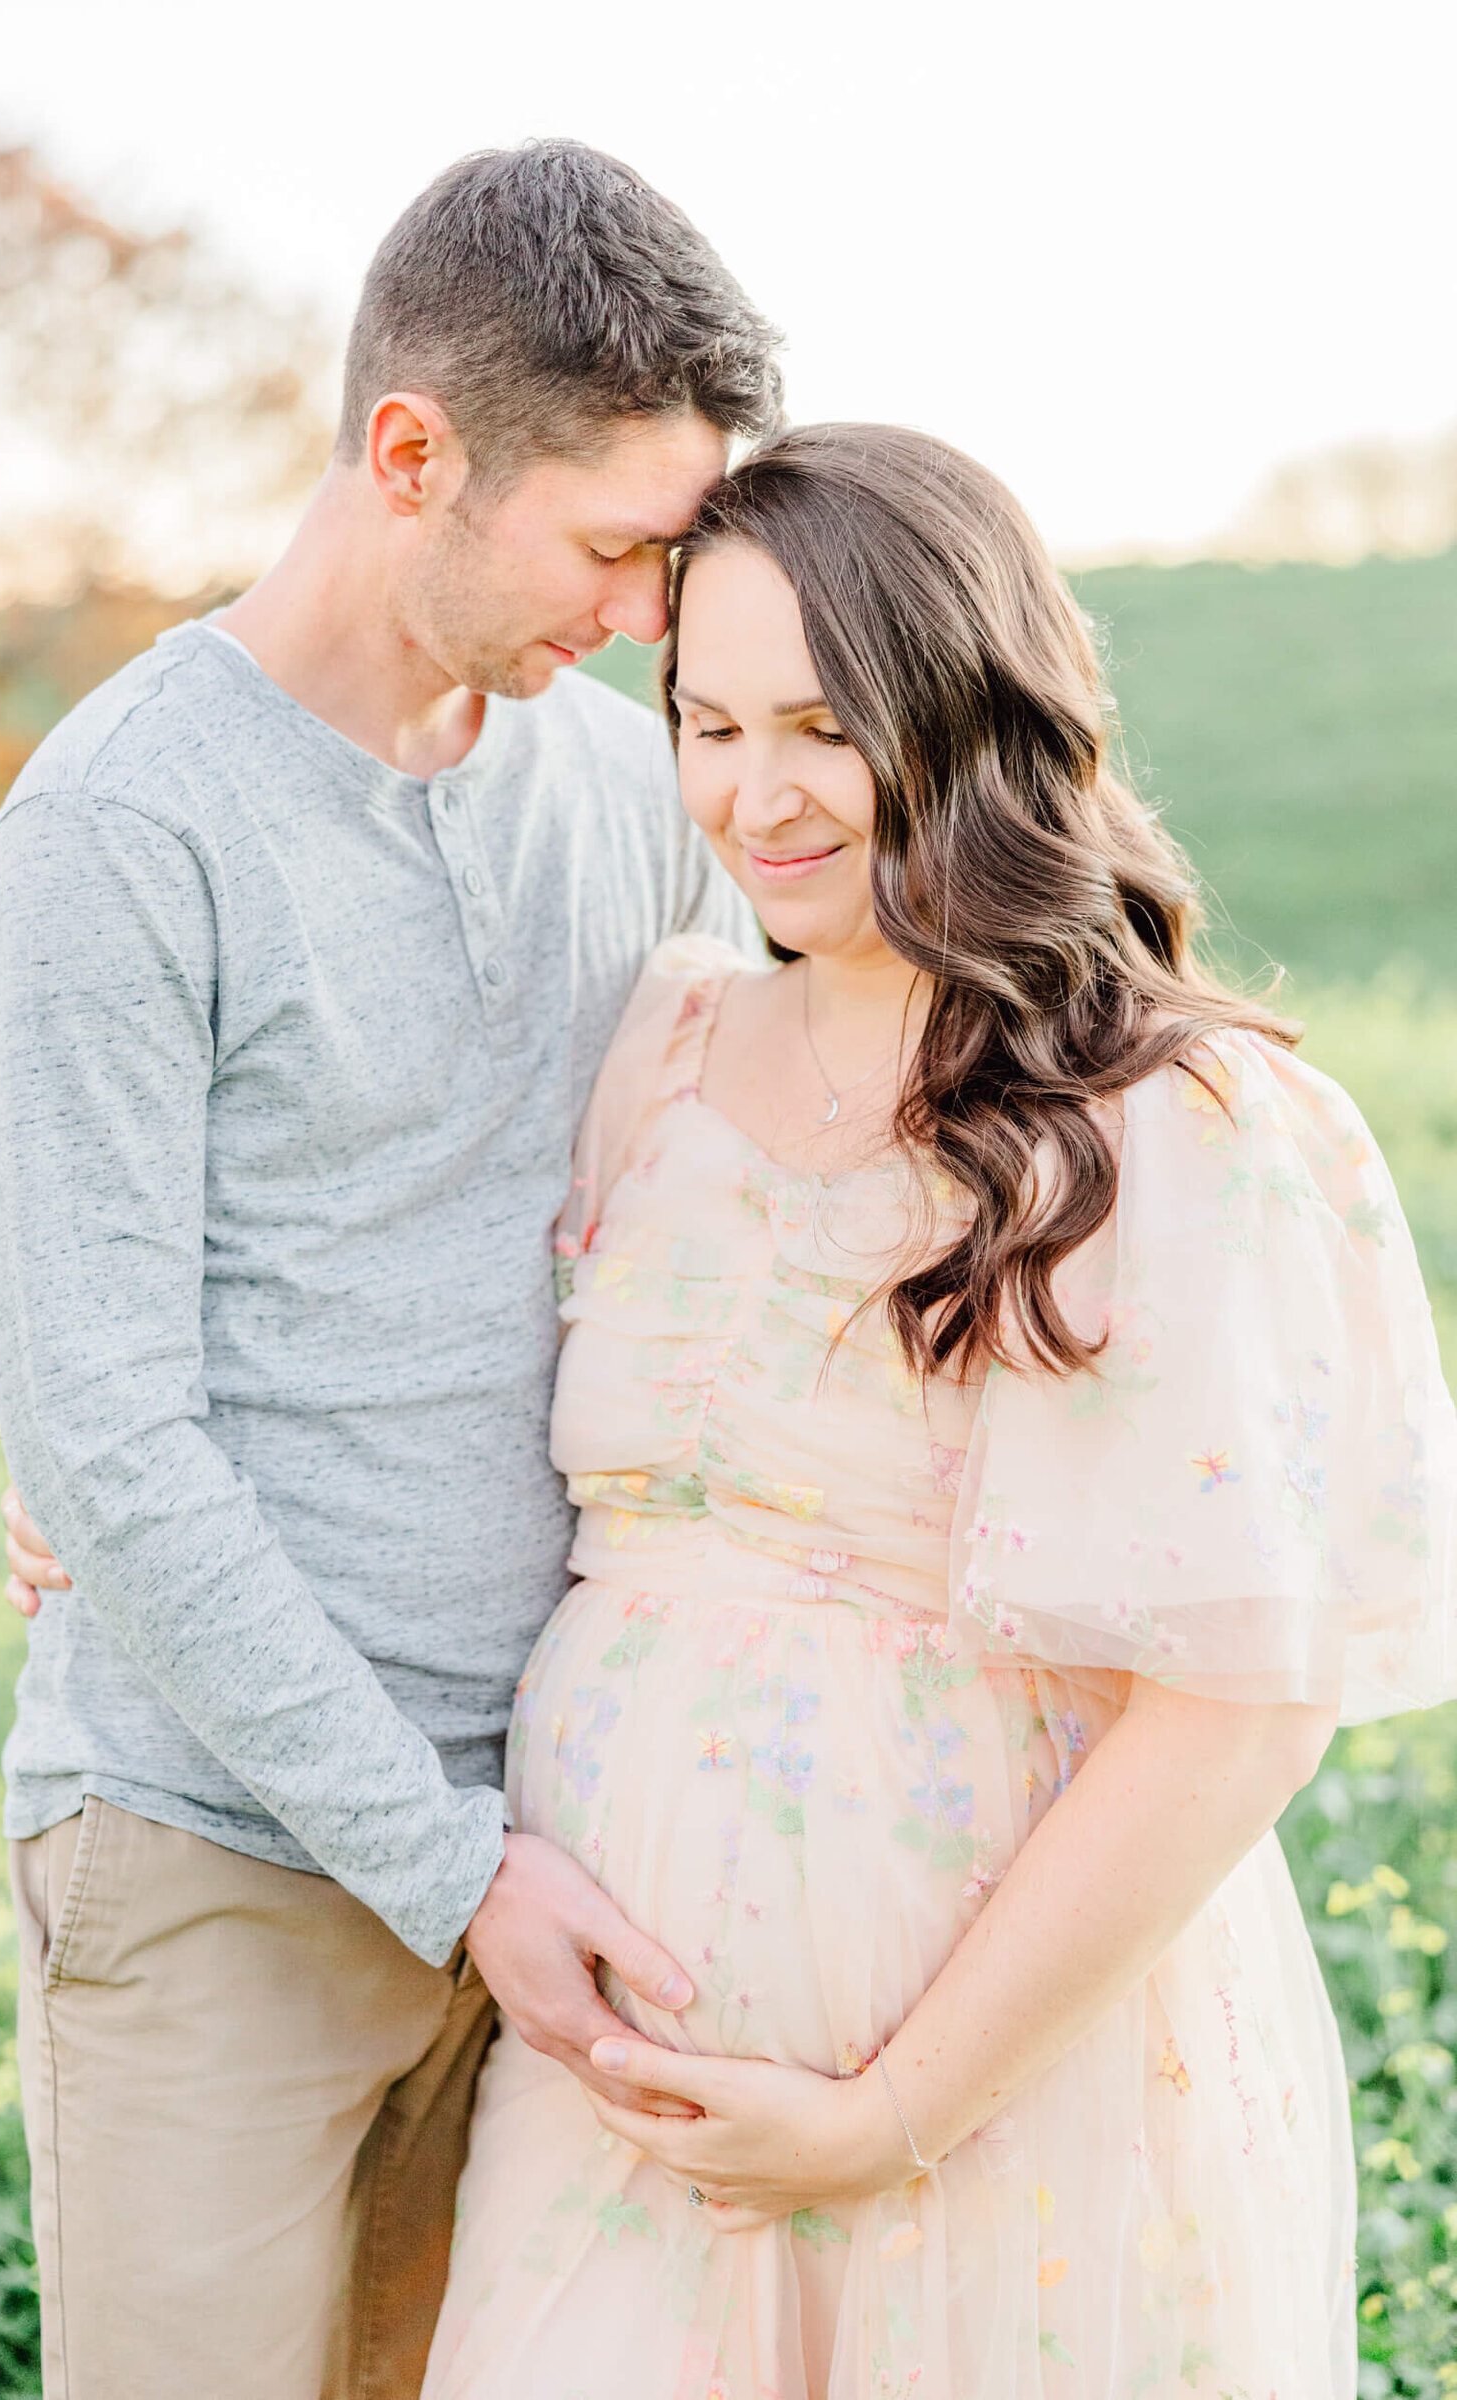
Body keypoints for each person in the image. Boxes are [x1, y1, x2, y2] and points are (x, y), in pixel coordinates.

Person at [409, 426, 1457, 2398]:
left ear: (972, 708)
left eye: (820, 721)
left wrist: (889, 2109)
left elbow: (1237, 1707)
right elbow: (425, 1362)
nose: (752, 794)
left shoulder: (1177, 1125)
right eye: (705, 724)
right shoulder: (660, 1044)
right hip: (624, 2095)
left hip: (1003, 2111)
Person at [0, 140, 781, 2400]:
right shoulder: (121, 838)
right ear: (411, 455)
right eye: (609, 545)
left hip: (581, 1857)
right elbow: (112, 1442)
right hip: (221, 1863)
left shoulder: (624, 797)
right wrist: (442, 1862)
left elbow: (738, 1225)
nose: (638, 615)